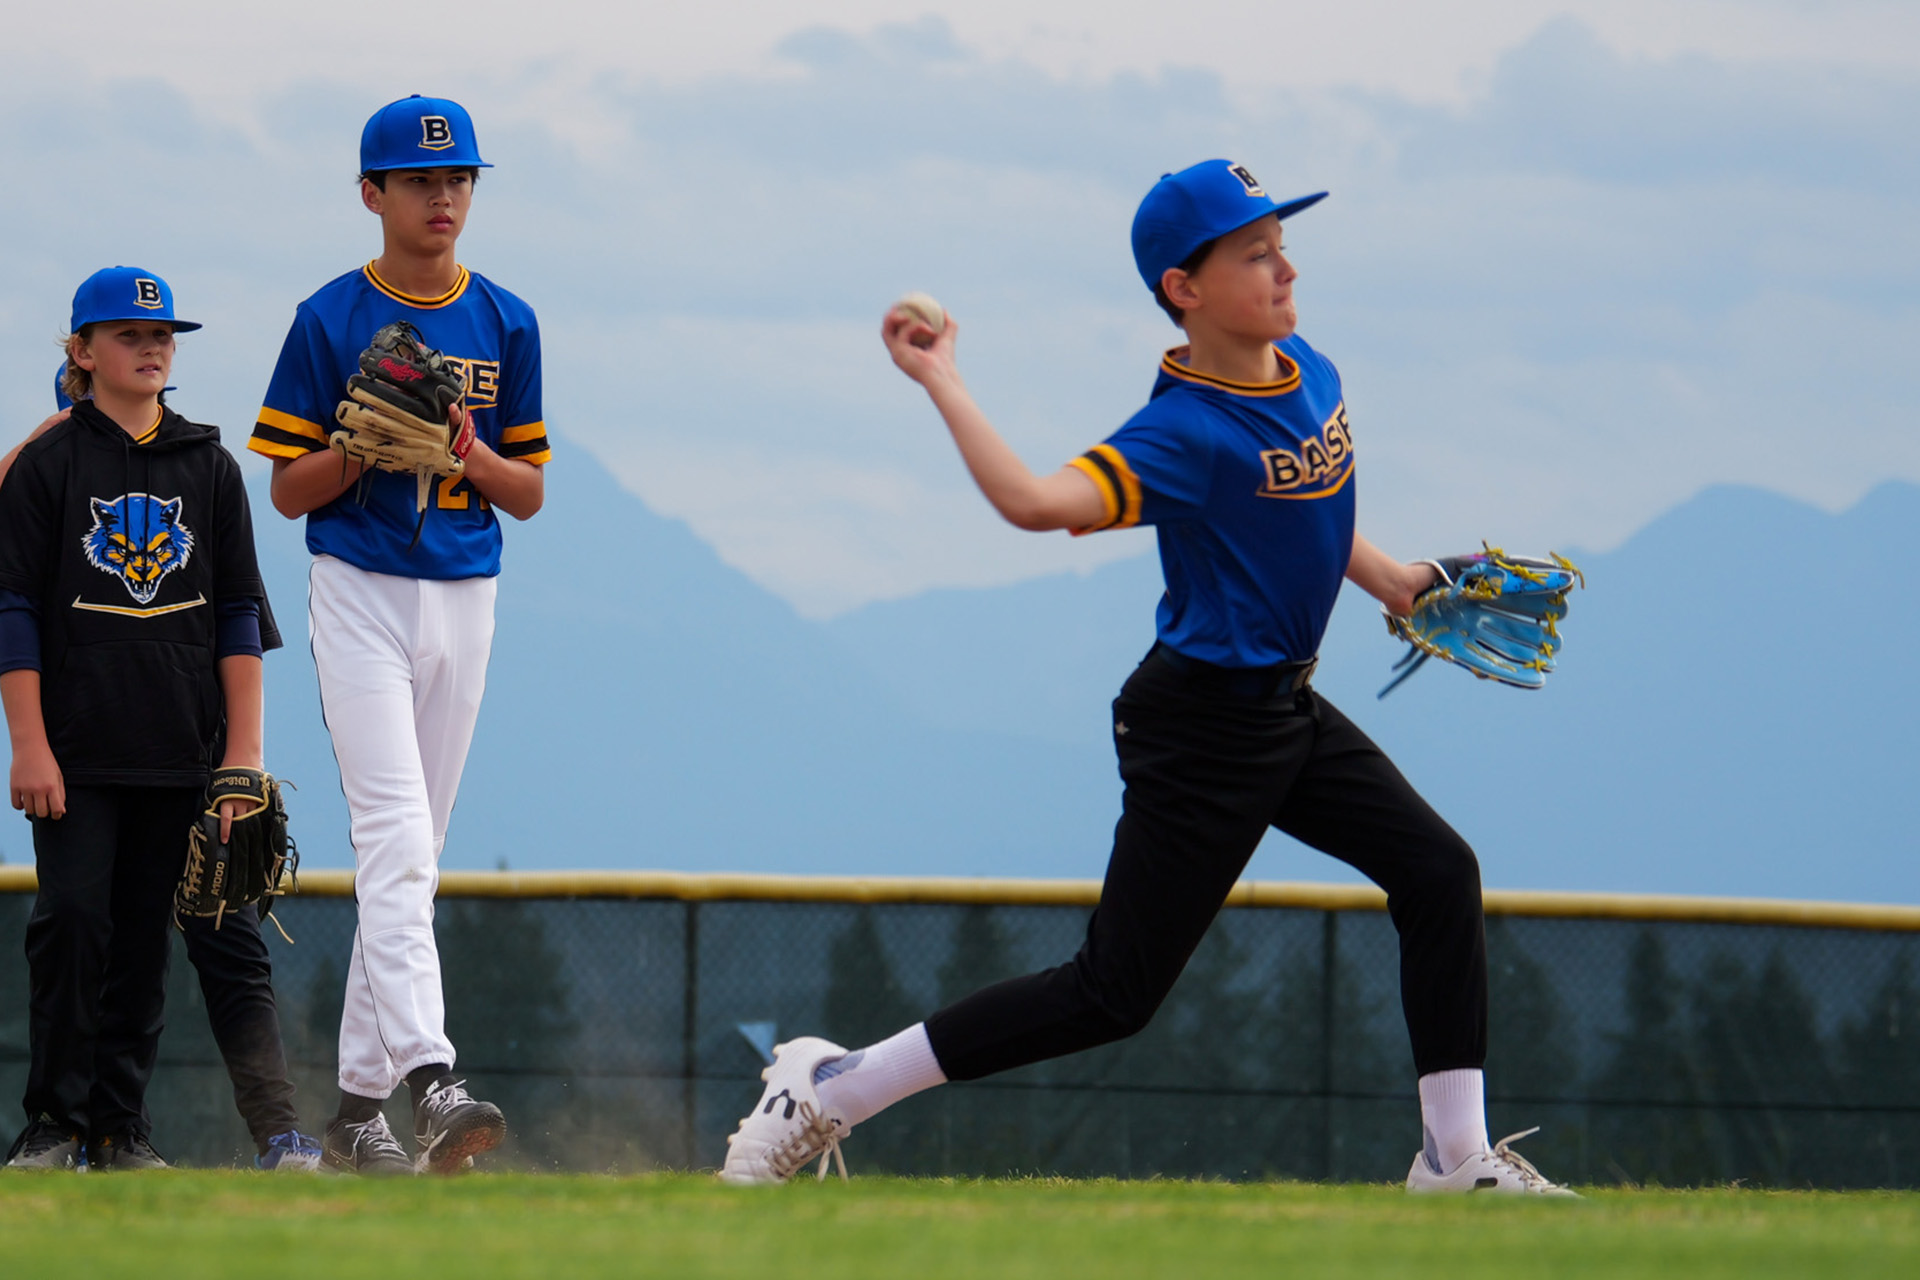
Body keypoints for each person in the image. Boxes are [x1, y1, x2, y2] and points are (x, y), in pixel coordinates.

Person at [722, 160, 1573, 1195]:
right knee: (1109, 993)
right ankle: (828, 1086)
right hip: (1201, 728)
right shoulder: (1184, 432)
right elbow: (1035, 502)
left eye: (1280, 244)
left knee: (1440, 873)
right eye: (1253, 253)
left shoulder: (1311, 370)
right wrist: (942, 376)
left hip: (1286, 707)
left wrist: (1391, 577)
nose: (1284, 266)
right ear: (1185, 286)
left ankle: (1454, 1157)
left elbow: (1309, 502)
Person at [248, 95, 550, 1176]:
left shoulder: (506, 320)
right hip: (361, 585)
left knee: (413, 863)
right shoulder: (329, 317)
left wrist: (463, 449)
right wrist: (360, 451)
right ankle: (435, 1079)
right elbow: (289, 489)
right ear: (372, 193)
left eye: (460, 178)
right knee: (393, 835)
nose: (444, 196)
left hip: (467, 590)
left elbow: (528, 491)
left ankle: (353, 1113)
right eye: (421, 180)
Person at [0, 267, 313, 1171]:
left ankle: (118, 1129)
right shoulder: (48, 466)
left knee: (142, 941)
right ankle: (53, 1124)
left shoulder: (210, 466)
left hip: (183, 751)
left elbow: (239, 620)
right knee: (70, 927)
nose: (149, 347)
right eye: (129, 334)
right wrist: (29, 743)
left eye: (162, 336)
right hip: (77, 751)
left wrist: (242, 760)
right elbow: (13, 608)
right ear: (82, 350)